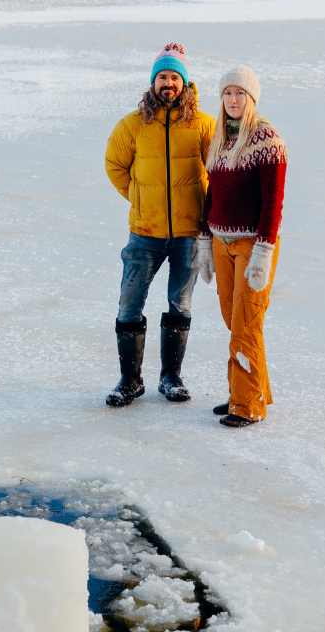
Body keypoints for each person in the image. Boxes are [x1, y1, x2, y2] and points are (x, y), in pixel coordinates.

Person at [103, 43, 216, 407]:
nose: (168, 83)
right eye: (162, 77)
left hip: (188, 233)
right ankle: (130, 380)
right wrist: (139, 198)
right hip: (145, 232)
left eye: (174, 77)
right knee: (129, 305)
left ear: (184, 83)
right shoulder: (132, 124)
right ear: (153, 82)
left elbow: (220, 170)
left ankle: (171, 377)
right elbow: (114, 165)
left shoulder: (203, 124)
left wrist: (204, 208)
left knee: (179, 304)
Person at [199, 66, 287, 428]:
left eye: (240, 94)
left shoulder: (267, 139)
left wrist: (264, 251)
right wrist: (205, 241)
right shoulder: (219, 138)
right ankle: (254, 390)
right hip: (221, 242)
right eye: (227, 94)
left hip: (253, 244)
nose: (233, 100)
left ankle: (246, 404)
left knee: (246, 325)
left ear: (251, 99)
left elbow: (273, 203)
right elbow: (212, 193)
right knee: (232, 318)